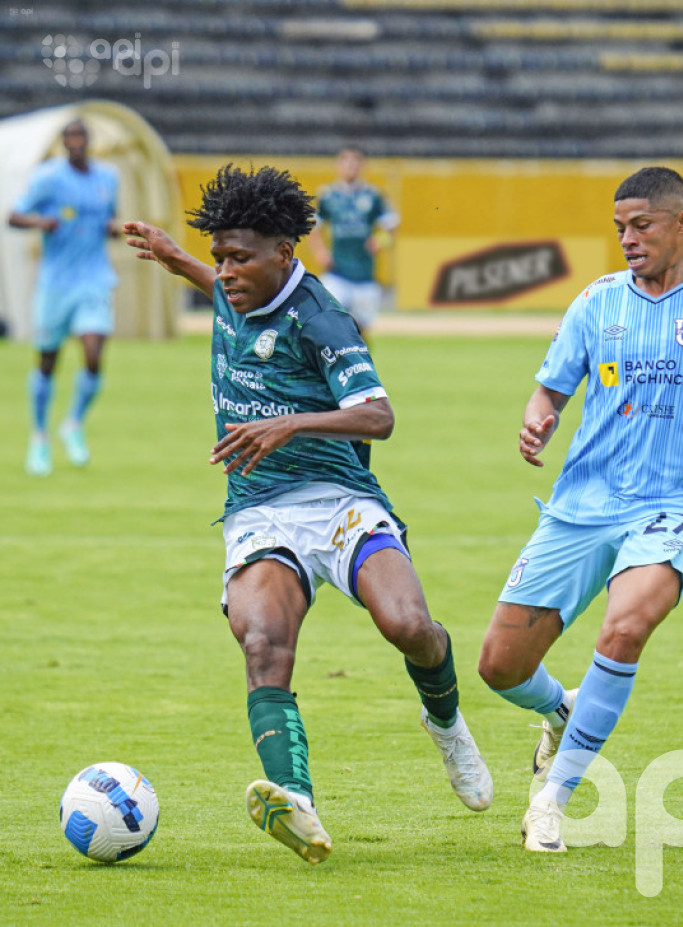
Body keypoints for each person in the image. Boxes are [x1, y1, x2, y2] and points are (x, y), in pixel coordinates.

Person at [123, 164, 492, 865]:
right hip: (260, 507)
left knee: (409, 625)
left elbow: (377, 417)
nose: (226, 272)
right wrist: (178, 259)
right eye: (221, 256)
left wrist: (287, 424)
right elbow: (223, 293)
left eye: (240, 258)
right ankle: (297, 803)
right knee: (262, 641)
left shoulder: (322, 317)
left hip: (340, 501)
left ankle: (445, 722)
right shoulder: (237, 286)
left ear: (284, 255)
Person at [478, 166, 683, 854]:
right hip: (580, 504)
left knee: (626, 625)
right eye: (619, 228)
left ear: (682, 222)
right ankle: (562, 708)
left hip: (670, 505)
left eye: (641, 225)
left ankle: (553, 799)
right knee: (499, 666)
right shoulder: (595, 303)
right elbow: (548, 391)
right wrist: (538, 419)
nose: (628, 239)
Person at [8, 119, 119, 476]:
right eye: (69, 138)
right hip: (56, 282)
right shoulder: (49, 178)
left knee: (92, 351)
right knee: (47, 361)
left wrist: (118, 228)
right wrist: (41, 223)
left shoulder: (107, 178)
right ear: (62, 143)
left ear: (89, 141)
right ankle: (39, 437)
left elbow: (110, 221)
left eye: (80, 137)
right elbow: (14, 216)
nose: (75, 143)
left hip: (94, 278)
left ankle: (72, 423)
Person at [307, 145, 398, 343]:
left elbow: (391, 228)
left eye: (355, 162)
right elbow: (314, 227)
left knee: (361, 329)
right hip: (337, 272)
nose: (350, 166)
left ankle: (362, 368)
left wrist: (379, 241)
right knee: (329, 322)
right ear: (338, 165)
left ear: (363, 166)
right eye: (346, 161)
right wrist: (320, 251)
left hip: (364, 274)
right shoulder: (328, 195)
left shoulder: (373, 195)